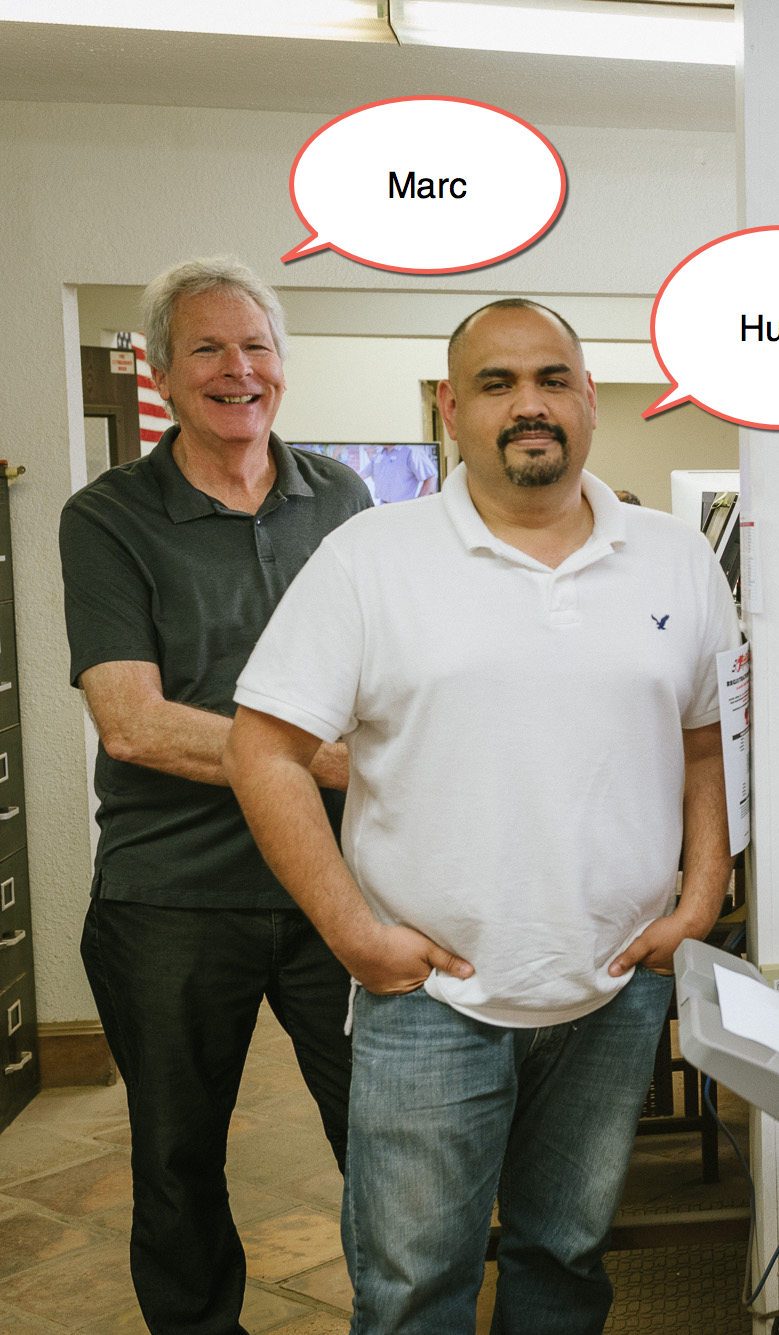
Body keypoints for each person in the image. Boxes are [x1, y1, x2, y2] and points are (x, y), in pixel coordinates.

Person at [222, 298, 737, 1335]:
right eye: (497, 384)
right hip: (430, 997)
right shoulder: (372, 556)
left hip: (613, 988)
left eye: (552, 379)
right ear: (452, 409)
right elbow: (260, 751)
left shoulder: (676, 558)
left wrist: (702, 898)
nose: (529, 404)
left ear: (590, 399)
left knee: (566, 1260)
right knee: (414, 1287)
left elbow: (703, 741)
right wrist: (353, 934)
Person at [58, 256, 371, 1335]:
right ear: (161, 372)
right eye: (207, 349)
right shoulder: (108, 516)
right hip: (173, 898)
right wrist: (322, 759)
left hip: (336, 888)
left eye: (256, 347)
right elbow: (133, 722)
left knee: (388, 1134)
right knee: (178, 1157)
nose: (238, 369)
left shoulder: (342, 497)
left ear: (282, 363)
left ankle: (405, 1312)